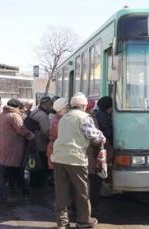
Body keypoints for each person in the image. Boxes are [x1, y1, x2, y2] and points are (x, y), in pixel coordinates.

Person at [51, 92, 106, 229]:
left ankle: (62, 223)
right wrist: (102, 138)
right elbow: (92, 135)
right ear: (84, 105)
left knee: (61, 191)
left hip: (58, 157)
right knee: (82, 192)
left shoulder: (64, 117)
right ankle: (83, 221)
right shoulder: (84, 117)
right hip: (76, 158)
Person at [0, 98, 34, 193]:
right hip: (13, 146)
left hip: (3, 145)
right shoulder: (14, 116)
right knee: (16, 168)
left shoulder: (2, 114)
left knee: (7, 168)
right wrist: (31, 135)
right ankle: (22, 189)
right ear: (17, 107)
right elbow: (21, 130)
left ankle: (7, 187)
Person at [29, 96, 51, 187]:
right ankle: (39, 184)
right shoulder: (43, 115)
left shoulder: (34, 111)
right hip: (40, 143)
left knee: (33, 164)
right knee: (41, 164)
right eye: (50, 104)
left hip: (32, 142)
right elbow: (46, 131)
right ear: (46, 105)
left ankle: (33, 182)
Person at [46, 97, 68, 170]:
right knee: (58, 175)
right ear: (63, 108)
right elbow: (58, 136)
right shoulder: (59, 121)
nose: (69, 109)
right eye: (67, 107)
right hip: (57, 150)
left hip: (57, 150)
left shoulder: (59, 119)